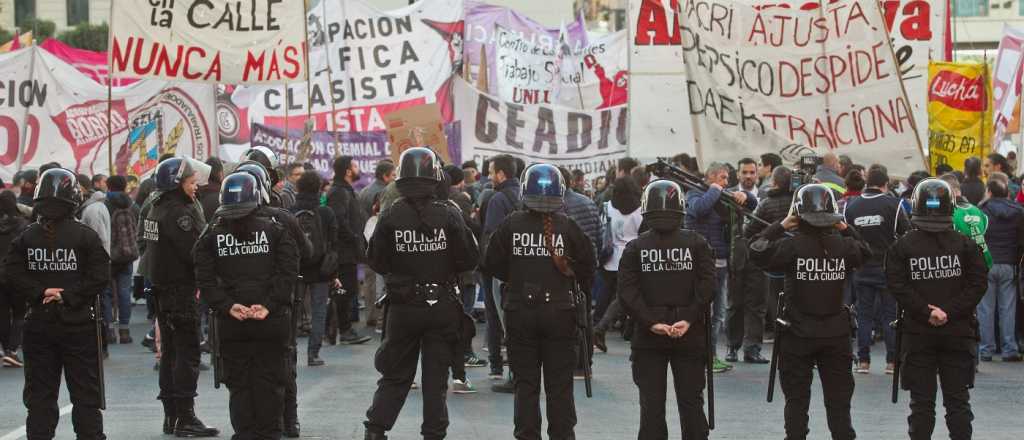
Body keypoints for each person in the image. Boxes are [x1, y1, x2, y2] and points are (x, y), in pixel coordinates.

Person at [363, 148, 479, 440]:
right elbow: (469, 259)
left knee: (396, 375)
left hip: (403, 307)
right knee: (435, 379)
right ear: (435, 178)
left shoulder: (390, 214)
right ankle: (433, 434)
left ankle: (376, 430)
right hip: (441, 305)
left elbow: (376, 260)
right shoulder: (450, 213)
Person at [482, 163, 596, 440]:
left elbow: (490, 263)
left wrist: (517, 275)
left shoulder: (511, 224)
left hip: (520, 312)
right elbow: (588, 264)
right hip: (560, 314)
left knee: (525, 385)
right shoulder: (567, 226)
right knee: (560, 386)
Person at [748, 184, 871, 440]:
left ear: (798, 214)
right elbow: (866, 252)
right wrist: (845, 227)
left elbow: (756, 250)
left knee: (796, 404)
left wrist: (780, 226)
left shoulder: (791, 247)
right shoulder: (844, 247)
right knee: (839, 407)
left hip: (797, 333)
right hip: (836, 333)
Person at [5, 168, 110, 439]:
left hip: (39, 323)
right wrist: (68, 295)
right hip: (78, 324)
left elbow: (11, 273)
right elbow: (100, 276)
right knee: (86, 396)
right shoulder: (85, 236)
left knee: (40, 397)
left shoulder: (28, 236)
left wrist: (40, 292)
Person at [194, 172, 299, 439]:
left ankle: (245, 433)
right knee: (270, 382)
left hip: (232, 320)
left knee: (239, 384)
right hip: (271, 320)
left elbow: (202, 275)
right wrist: (270, 305)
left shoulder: (213, 235)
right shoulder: (276, 229)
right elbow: (289, 271)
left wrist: (226, 305)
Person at [886, 178, 988, 440]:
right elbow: (978, 284)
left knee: (921, 405)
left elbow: (897, 285)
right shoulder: (966, 244)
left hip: (918, 333)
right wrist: (949, 311)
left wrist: (925, 311)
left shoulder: (902, 246)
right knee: (958, 403)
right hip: (958, 331)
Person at [619, 179, 714, 440]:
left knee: (651, 406)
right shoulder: (697, 243)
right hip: (690, 332)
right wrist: (689, 317)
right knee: (692, 403)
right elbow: (708, 287)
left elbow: (627, 293)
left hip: (649, 335)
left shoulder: (635, 248)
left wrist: (650, 322)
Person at [140, 157, 219, 437]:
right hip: (179, 291)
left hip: (161, 289)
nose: (195, 186)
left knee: (171, 353)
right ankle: (185, 417)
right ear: (176, 185)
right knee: (187, 353)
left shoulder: (154, 208)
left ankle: (171, 416)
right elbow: (195, 251)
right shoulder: (179, 214)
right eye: (189, 182)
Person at [685, 162, 757, 373]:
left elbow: (750, 205)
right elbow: (699, 209)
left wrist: (746, 196)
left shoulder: (723, 194)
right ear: (712, 177)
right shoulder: (694, 193)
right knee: (704, 313)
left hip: (723, 263)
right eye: (723, 178)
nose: (727, 182)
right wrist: (715, 190)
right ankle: (703, 356)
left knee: (718, 315)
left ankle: (711, 355)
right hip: (703, 264)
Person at [843, 166, 910, 374]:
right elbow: (906, 234)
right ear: (886, 184)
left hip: (862, 268)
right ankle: (891, 362)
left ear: (867, 182)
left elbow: (847, 238)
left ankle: (864, 361)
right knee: (890, 315)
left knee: (864, 315)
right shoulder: (895, 204)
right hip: (888, 268)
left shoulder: (850, 207)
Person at [289, 171, 343, 367]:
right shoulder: (326, 212)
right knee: (319, 311)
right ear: (319, 188)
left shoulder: (290, 211)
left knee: (293, 311)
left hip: (296, 269)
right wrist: (333, 272)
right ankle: (313, 354)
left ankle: (291, 352)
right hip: (321, 269)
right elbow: (334, 243)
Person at [480, 154, 520, 389]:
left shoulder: (497, 199)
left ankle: (500, 367)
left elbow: (492, 237)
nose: (488, 176)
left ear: (501, 174)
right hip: (522, 270)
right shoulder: (524, 195)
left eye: (491, 171)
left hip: (501, 272)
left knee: (497, 316)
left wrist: (489, 266)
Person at [744, 166, 795, 341]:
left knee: (774, 299)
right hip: (799, 256)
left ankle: (778, 332)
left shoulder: (766, 203)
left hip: (773, 258)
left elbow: (748, 230)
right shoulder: (799, 201)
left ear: (774, 182)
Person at [726, 158, 769, 364]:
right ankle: (732, 347)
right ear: (738, 173)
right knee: (735, 303)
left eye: (752, 172)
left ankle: (752, 348)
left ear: (758, 173)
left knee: (757, 305)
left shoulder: (766, 195)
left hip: (760, 255)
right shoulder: (730, 193)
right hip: (736, 254)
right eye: (745, 172)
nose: (749, 176)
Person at [593, 177, 643, 353]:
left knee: (605, 295)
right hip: (633, 258)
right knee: (625, 296)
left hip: (610, 257)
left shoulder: (608, 207)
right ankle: (608, 328)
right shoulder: (640, 209)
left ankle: (598, 326)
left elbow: (600, 229)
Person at [326, 156, 372, 345]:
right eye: (354, 165)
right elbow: (339, 220)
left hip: (348, 251)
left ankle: (333, 328)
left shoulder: (344, 190)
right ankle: (343, 330)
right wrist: (353, 237)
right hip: (343, 252)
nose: (357, 168)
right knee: (345, 290)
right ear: (347, 171)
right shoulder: (338, 192)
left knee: (347, 289)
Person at [977, 178, 1024, 362]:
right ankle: (1009, 348)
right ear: (1007, 193)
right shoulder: (1018, 211)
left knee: (985, 309)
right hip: (1009, 263)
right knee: (1008, 308)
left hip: (987, 262)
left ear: (989, 191)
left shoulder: (981, 211)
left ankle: (986, 349)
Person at [104, 176, 138, 345]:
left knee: (107, 293)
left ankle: (109, 331)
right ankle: (125, 331)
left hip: (109, 255)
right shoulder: (132, 205)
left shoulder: (105, 205)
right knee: (125, 293)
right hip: (127, 255)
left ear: (108, 187)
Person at [938, 174, 993, 268]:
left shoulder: (947, 214)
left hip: (964, 266)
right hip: (985, 262)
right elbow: (985, 233)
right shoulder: (977, 210)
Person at [0, 191, 29, 367]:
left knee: (2, 313)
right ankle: (12, 350)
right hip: (17, 275)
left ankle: (5, 349)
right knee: (19, 312)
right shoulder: (23, 226)